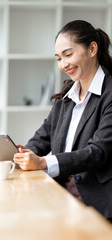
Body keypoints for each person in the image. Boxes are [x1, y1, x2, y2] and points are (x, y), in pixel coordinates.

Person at [13, 20, 112, 222]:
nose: (63, 64)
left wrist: (42, 162)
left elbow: (98, 152)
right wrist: (23, 155)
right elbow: (44, 136)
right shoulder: (68, 92)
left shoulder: (109, 93)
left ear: (92, 48)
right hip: (59, 192)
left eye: (68, 55)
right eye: (59, 58)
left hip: (96, 200)